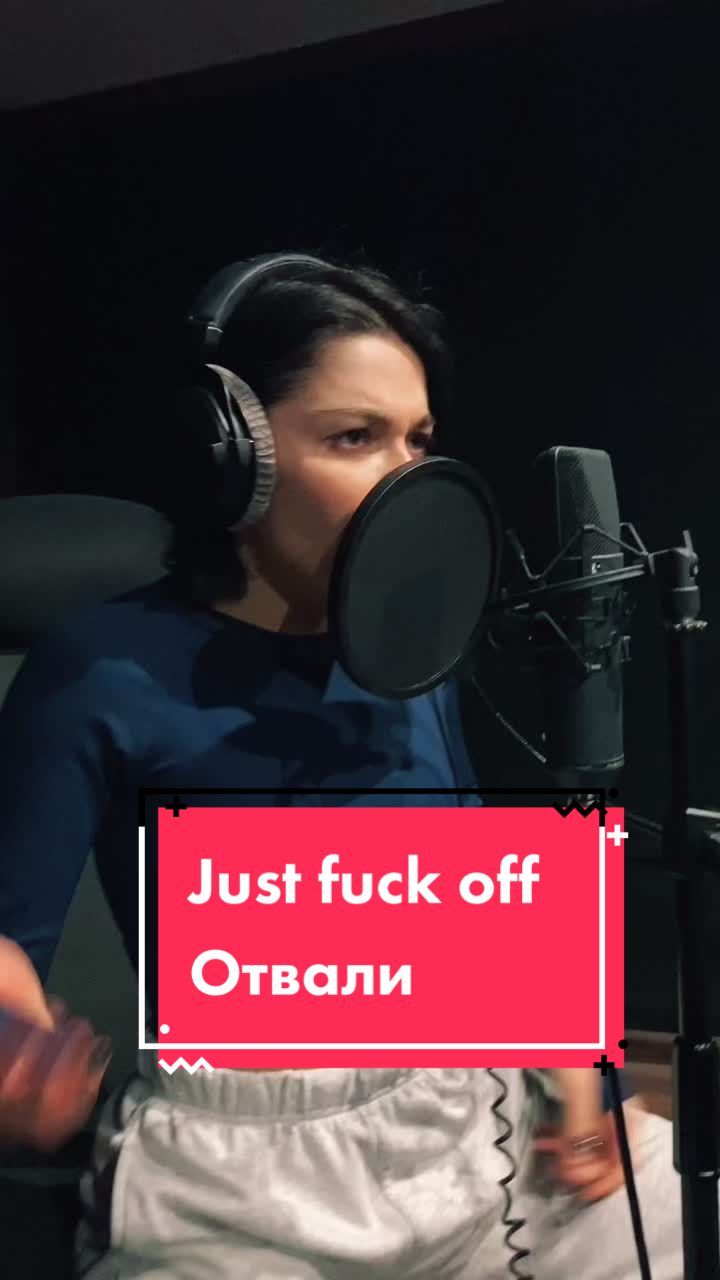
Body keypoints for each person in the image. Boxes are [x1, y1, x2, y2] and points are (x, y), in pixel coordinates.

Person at [0, 252, 686, 1279]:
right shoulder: (98, 671)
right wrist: (18, 1048)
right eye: (354, 437)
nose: (405, 479)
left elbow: (475, 898)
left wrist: (580, 1077)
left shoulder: (408, 651)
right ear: (232, 460)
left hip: (459, 1117)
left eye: (418, 440)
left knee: (674, 1210)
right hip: (238, 1178)